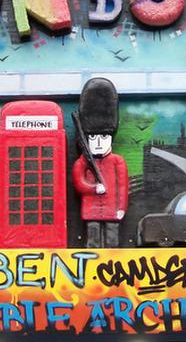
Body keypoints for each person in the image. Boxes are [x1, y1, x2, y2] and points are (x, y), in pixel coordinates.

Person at [72, 78, 128, 248]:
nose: (98, 142)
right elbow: (78, 181)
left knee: (112, 241)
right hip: (91, 210)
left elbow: (123, 188)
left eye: (103, 137)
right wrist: (93, 188)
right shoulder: (82, 161)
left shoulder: (118, 161)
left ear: (111, 137)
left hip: (112, 209)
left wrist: (121, 208)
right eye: (93, 137)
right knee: (93, 240)